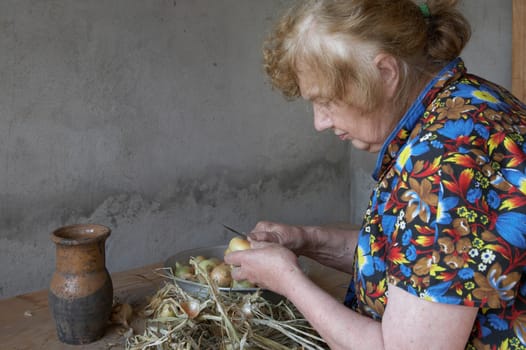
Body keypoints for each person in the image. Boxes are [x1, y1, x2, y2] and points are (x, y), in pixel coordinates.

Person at [224, 0, 526, 349]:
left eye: (326, 101)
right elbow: (416, 262)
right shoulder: (471, 105)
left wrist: (289, 281)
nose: (319, 122)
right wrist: (307, 241)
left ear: (385, 73)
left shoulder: (443, 163)